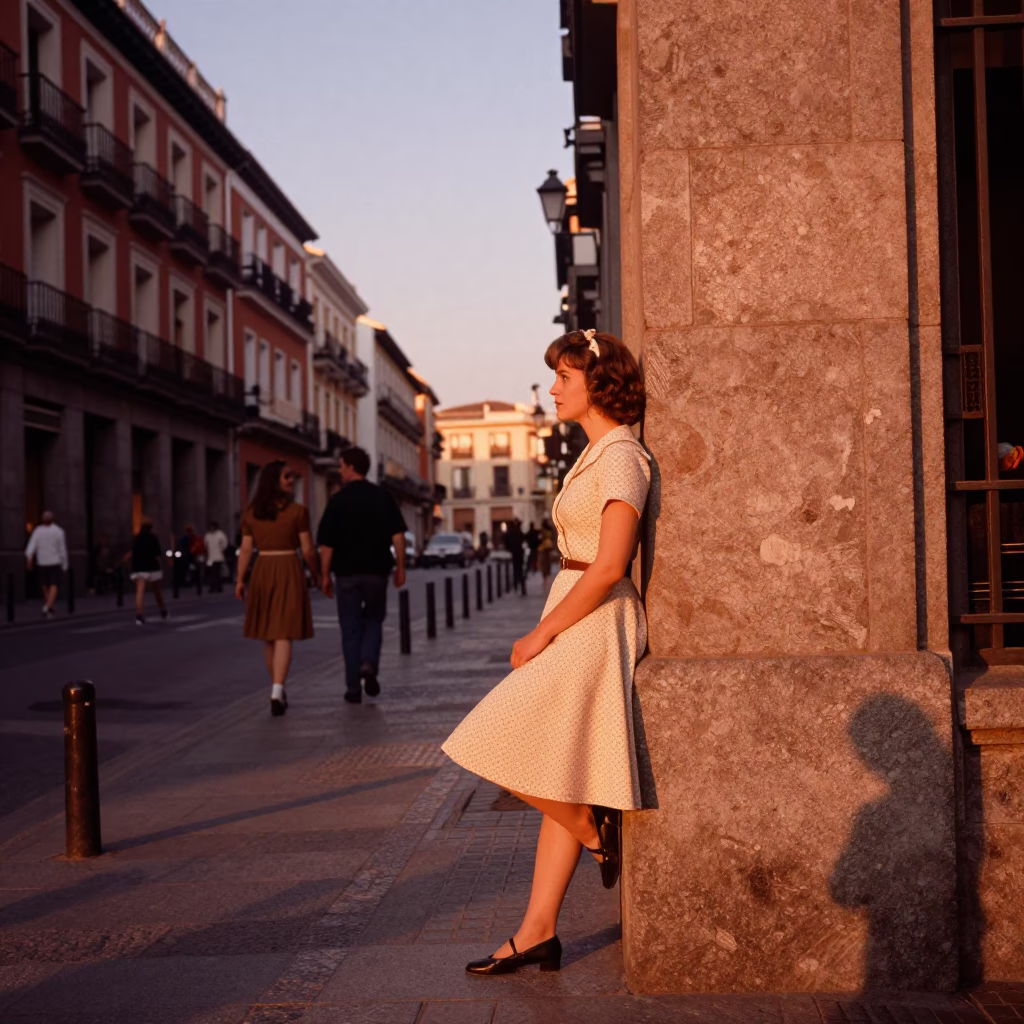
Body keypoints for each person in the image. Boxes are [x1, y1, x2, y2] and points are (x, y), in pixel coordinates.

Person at [442, 328, 649, 976]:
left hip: (595, 618)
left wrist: (541, 633)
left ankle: (592, 831)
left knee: (495, 738)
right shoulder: (596, 453)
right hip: (576, 610)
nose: (553, 389)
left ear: (598, 383)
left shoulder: (621, 456)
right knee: (556, 769)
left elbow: (610, 563)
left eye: (564, 377)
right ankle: (537, 932)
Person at [317, 446, 407, 704]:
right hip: (377, 572)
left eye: (341, 466)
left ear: (351, 467)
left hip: (346, 573)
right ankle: (368, 662)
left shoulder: (337, 501)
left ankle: (353, 687)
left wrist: (325, 575)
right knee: (374, 620)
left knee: (350, 627)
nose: (340, 470)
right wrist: (400, 567)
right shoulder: (382, 497)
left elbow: (326, 545)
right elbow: (398, 536)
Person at [234, 461, 319, 716]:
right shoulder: (298, 512)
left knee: (269, 635)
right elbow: (307, 549)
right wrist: (316, 573)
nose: (291, 480)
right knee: (284, 632)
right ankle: (277, 689)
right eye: (287, 476)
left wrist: (240, 579)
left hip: (262, 568)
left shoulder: (252, 512)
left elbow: (246, 549)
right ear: (275, 480)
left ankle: (277, 688)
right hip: (288, 566)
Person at [25, 511, 68, 619]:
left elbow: (32, 545)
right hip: (51, 561)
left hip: (46, 561)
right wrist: (64, 563)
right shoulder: (58, 531)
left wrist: (29, 557)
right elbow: (62, 549)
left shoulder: (39, 531)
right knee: (51, 585)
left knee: (47, 585)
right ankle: (48, 606)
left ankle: (48, 606)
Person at [128, 519, 168, 625]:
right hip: (152, 566)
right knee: (157, 592)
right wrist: (163, 566)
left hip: (139, 566)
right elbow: (157, 555)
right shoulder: (153, 538)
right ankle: (163, 611)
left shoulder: (136, 538)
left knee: (139, 592)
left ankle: (139, 615)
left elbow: (132, 551)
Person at [204, 520, 229, 593]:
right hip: (210, 557)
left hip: (218, 557)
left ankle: (217, 587)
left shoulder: (220, 534)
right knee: (212, 573)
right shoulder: (208, 535)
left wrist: (221, 549)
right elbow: (205, 545)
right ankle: (214, 587)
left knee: (216, 572)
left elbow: (225, 544)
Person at [506, 518, 526, 596]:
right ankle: (521, 586)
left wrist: (510, 548)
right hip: (519, 553)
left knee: (516, 569)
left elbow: (506, 541)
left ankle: (516, 585)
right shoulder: (519, 532)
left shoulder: (512, 532)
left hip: (515, 553)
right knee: (520, 570)